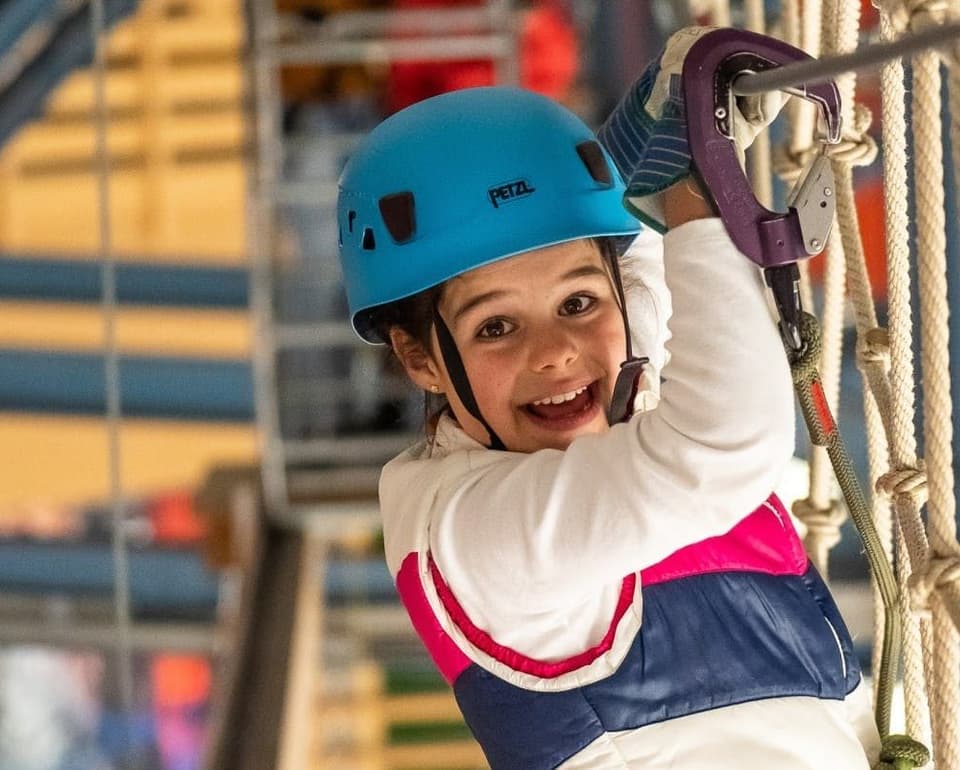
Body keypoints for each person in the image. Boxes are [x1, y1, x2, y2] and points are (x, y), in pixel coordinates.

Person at [335, 71, 874, 768]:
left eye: (577, 304)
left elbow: (637, 292)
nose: (555, 353)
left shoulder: (611, 413)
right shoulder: (474, 536)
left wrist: (642, 143)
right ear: (420, 360)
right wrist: (693, 198)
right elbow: (724, 446)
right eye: (496, 326)